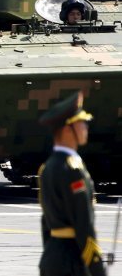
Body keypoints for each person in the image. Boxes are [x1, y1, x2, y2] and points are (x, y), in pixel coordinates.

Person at [37, 91, 106, 276]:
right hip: (73, 261)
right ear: (68, 130)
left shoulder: (47, 167)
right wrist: (98, 269)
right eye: (81, 123)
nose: (86, 127)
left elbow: (45, 222)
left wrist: (51, 254)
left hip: (52, 258)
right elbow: (84, 225)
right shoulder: (73, 170)